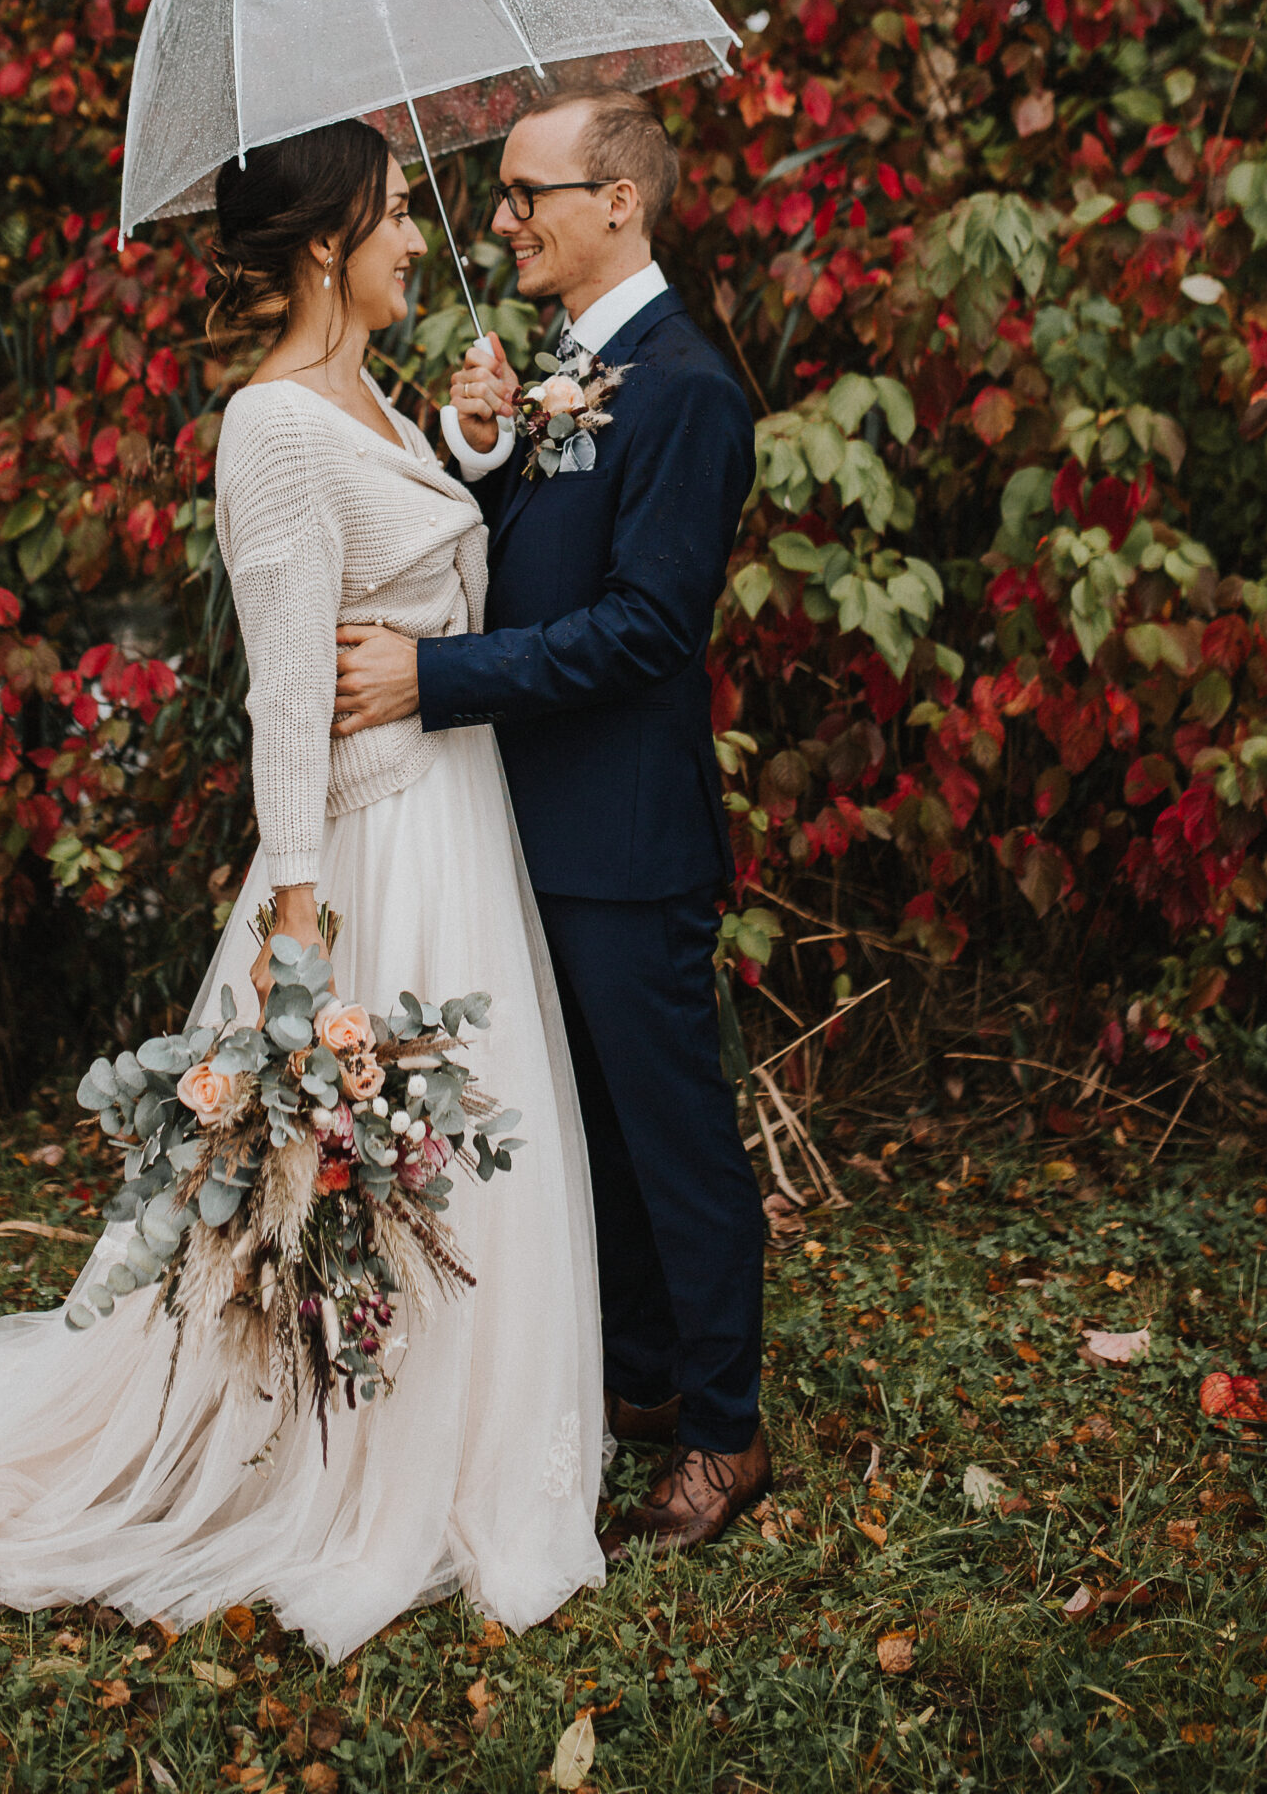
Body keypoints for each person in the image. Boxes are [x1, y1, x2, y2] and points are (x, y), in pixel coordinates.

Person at [0, 120, 604, 1661]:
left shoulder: (368, 400)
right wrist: (301, 936)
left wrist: (467, 443)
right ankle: (340, 1463)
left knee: (468, 1179)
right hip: (373, 856)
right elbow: (284, 702)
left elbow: (422, 570)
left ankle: (470, 1441)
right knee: (370, 1181)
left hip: (460, 829)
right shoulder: (270, 429)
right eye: (400, 216)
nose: (421, 238)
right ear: (329, 242)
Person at [332, 86, 770, 1554]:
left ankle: (724, 1434)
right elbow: (531, 556)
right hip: (540, 829)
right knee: (594, 1130)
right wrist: (481, 445)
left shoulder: (688, 390)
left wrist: (429, 679)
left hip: (630, 838)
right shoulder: (572, 371)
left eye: (527, 193)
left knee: (674, 1137)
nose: (502, 217)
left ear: (619, 203)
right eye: (502, 198)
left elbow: (645, 629)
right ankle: (643, 1377)